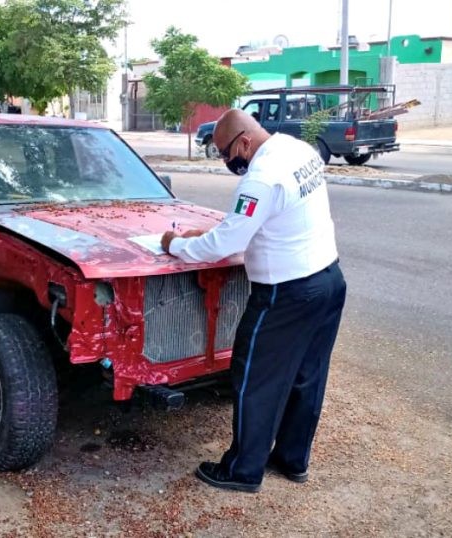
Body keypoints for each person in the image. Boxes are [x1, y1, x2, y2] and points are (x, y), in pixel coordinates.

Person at [160, 109, 346, 493]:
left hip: (286, 293)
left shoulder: (261, 178)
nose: (229, 162)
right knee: (307, 376)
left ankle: (243, 470)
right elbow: (270, 219)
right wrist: (214, 230)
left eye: (227, 154)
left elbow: (225, 244)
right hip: (329, 279)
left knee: (255, 380)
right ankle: (293, 460)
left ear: (244, 141)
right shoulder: (297, 151)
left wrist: (176, 244)